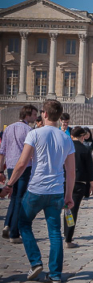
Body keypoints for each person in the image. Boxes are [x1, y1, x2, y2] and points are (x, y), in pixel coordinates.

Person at [0, 100, 75, 283]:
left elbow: (22, 163)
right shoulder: (66, 138)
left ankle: (35, 262)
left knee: (23, 223)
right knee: (55, 233)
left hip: (36, 189)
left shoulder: (34, 134)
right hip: (56, 191)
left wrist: (9, 184)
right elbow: (71, 171)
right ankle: (56, 274)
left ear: (45, 114)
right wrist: (69, 195)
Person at [0, 104, 38, 244]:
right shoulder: (29, 130)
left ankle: (7, 224)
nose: (35, 117)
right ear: (27, 115)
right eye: (34, 115)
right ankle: (14, 233)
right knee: (20, 199)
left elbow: (2, 152)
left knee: (14, 196)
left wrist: (0, 171)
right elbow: (32, 153)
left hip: (10, 166)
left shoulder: (8, 128)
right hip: (24, 167)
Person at [65, 126, 93, 249]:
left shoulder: (66, 147)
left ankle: (65, 233)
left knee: (66, 209)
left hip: (65, 182)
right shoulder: (84, 149)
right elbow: (90, 170)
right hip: (79, 183)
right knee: (73, 210)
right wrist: (91, 186)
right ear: (82, 136)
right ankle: (68, 238)